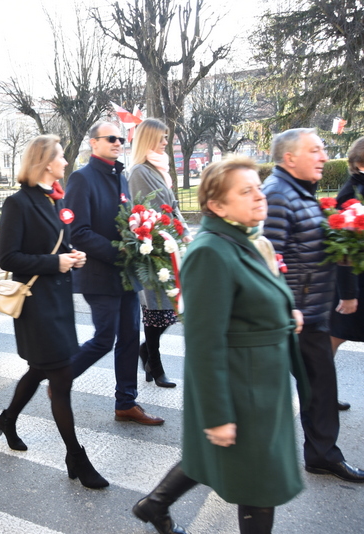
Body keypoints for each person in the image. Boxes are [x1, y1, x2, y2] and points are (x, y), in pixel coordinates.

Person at [133, 156, 310, 534]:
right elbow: (203, 340)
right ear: (216, 205)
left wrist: (284, 315)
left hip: (260, 384)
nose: (260, 196)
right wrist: (216, 415)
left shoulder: (244, 240)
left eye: (259, 187)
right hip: (243, 387)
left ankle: (154, 504)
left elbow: (250, 301)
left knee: (230, 461)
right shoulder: (211, 251)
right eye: (246, 191)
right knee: (259, 481)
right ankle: (154, 504)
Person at [0, 135, 106, 489]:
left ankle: (8, 418)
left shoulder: (53, 200)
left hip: (57, 303)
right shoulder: (18, 203)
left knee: (40, 369)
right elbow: (8, 258)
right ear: (45, 162)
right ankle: (76, 455)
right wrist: (54, 262)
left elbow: (57, 244)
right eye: (60, 156)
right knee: (60, 380)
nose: (65, 161)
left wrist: (72, 258)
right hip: (36, 306)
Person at [262, 128, 364, 482]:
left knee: (320, 387)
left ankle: (321, 453)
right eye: (316, 150)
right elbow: (268, 259)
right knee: (317, 387)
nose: (324, 156)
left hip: (311, 310)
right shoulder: (278, 195)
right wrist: (288, 309)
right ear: (290, 158)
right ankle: (319, 455)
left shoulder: (299, 192)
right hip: (297, 315)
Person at [65, 121, 164, 425]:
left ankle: (126, 403)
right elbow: (77, 232)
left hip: (127, 273)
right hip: (99, 274)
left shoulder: (120, 176)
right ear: (93, 143)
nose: (118, 142)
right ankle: (60, 380)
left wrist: (144, 237)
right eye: (111, 138)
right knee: (105, 338)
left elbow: (129, 220)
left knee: (130, 339)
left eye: (121, 138)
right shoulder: (81, 179)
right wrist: (119, 249)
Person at [127, 119, 192, 388]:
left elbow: (172, 207)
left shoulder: (158, 169)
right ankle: (155, 362)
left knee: (171, 310)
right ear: (149, 140)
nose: (167, 142)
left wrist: (185, 232)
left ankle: (147, 352)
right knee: (158, 311)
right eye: (162, 138)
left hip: (170, 244)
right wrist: (172, 235)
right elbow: (149, 212)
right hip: (153, 249)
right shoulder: (140, 171)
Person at [329, 136, 364, 412]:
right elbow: (345, 249)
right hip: (354, 280)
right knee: (334, 337)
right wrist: (349, 292)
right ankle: (319, 387)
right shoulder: (350, 194)